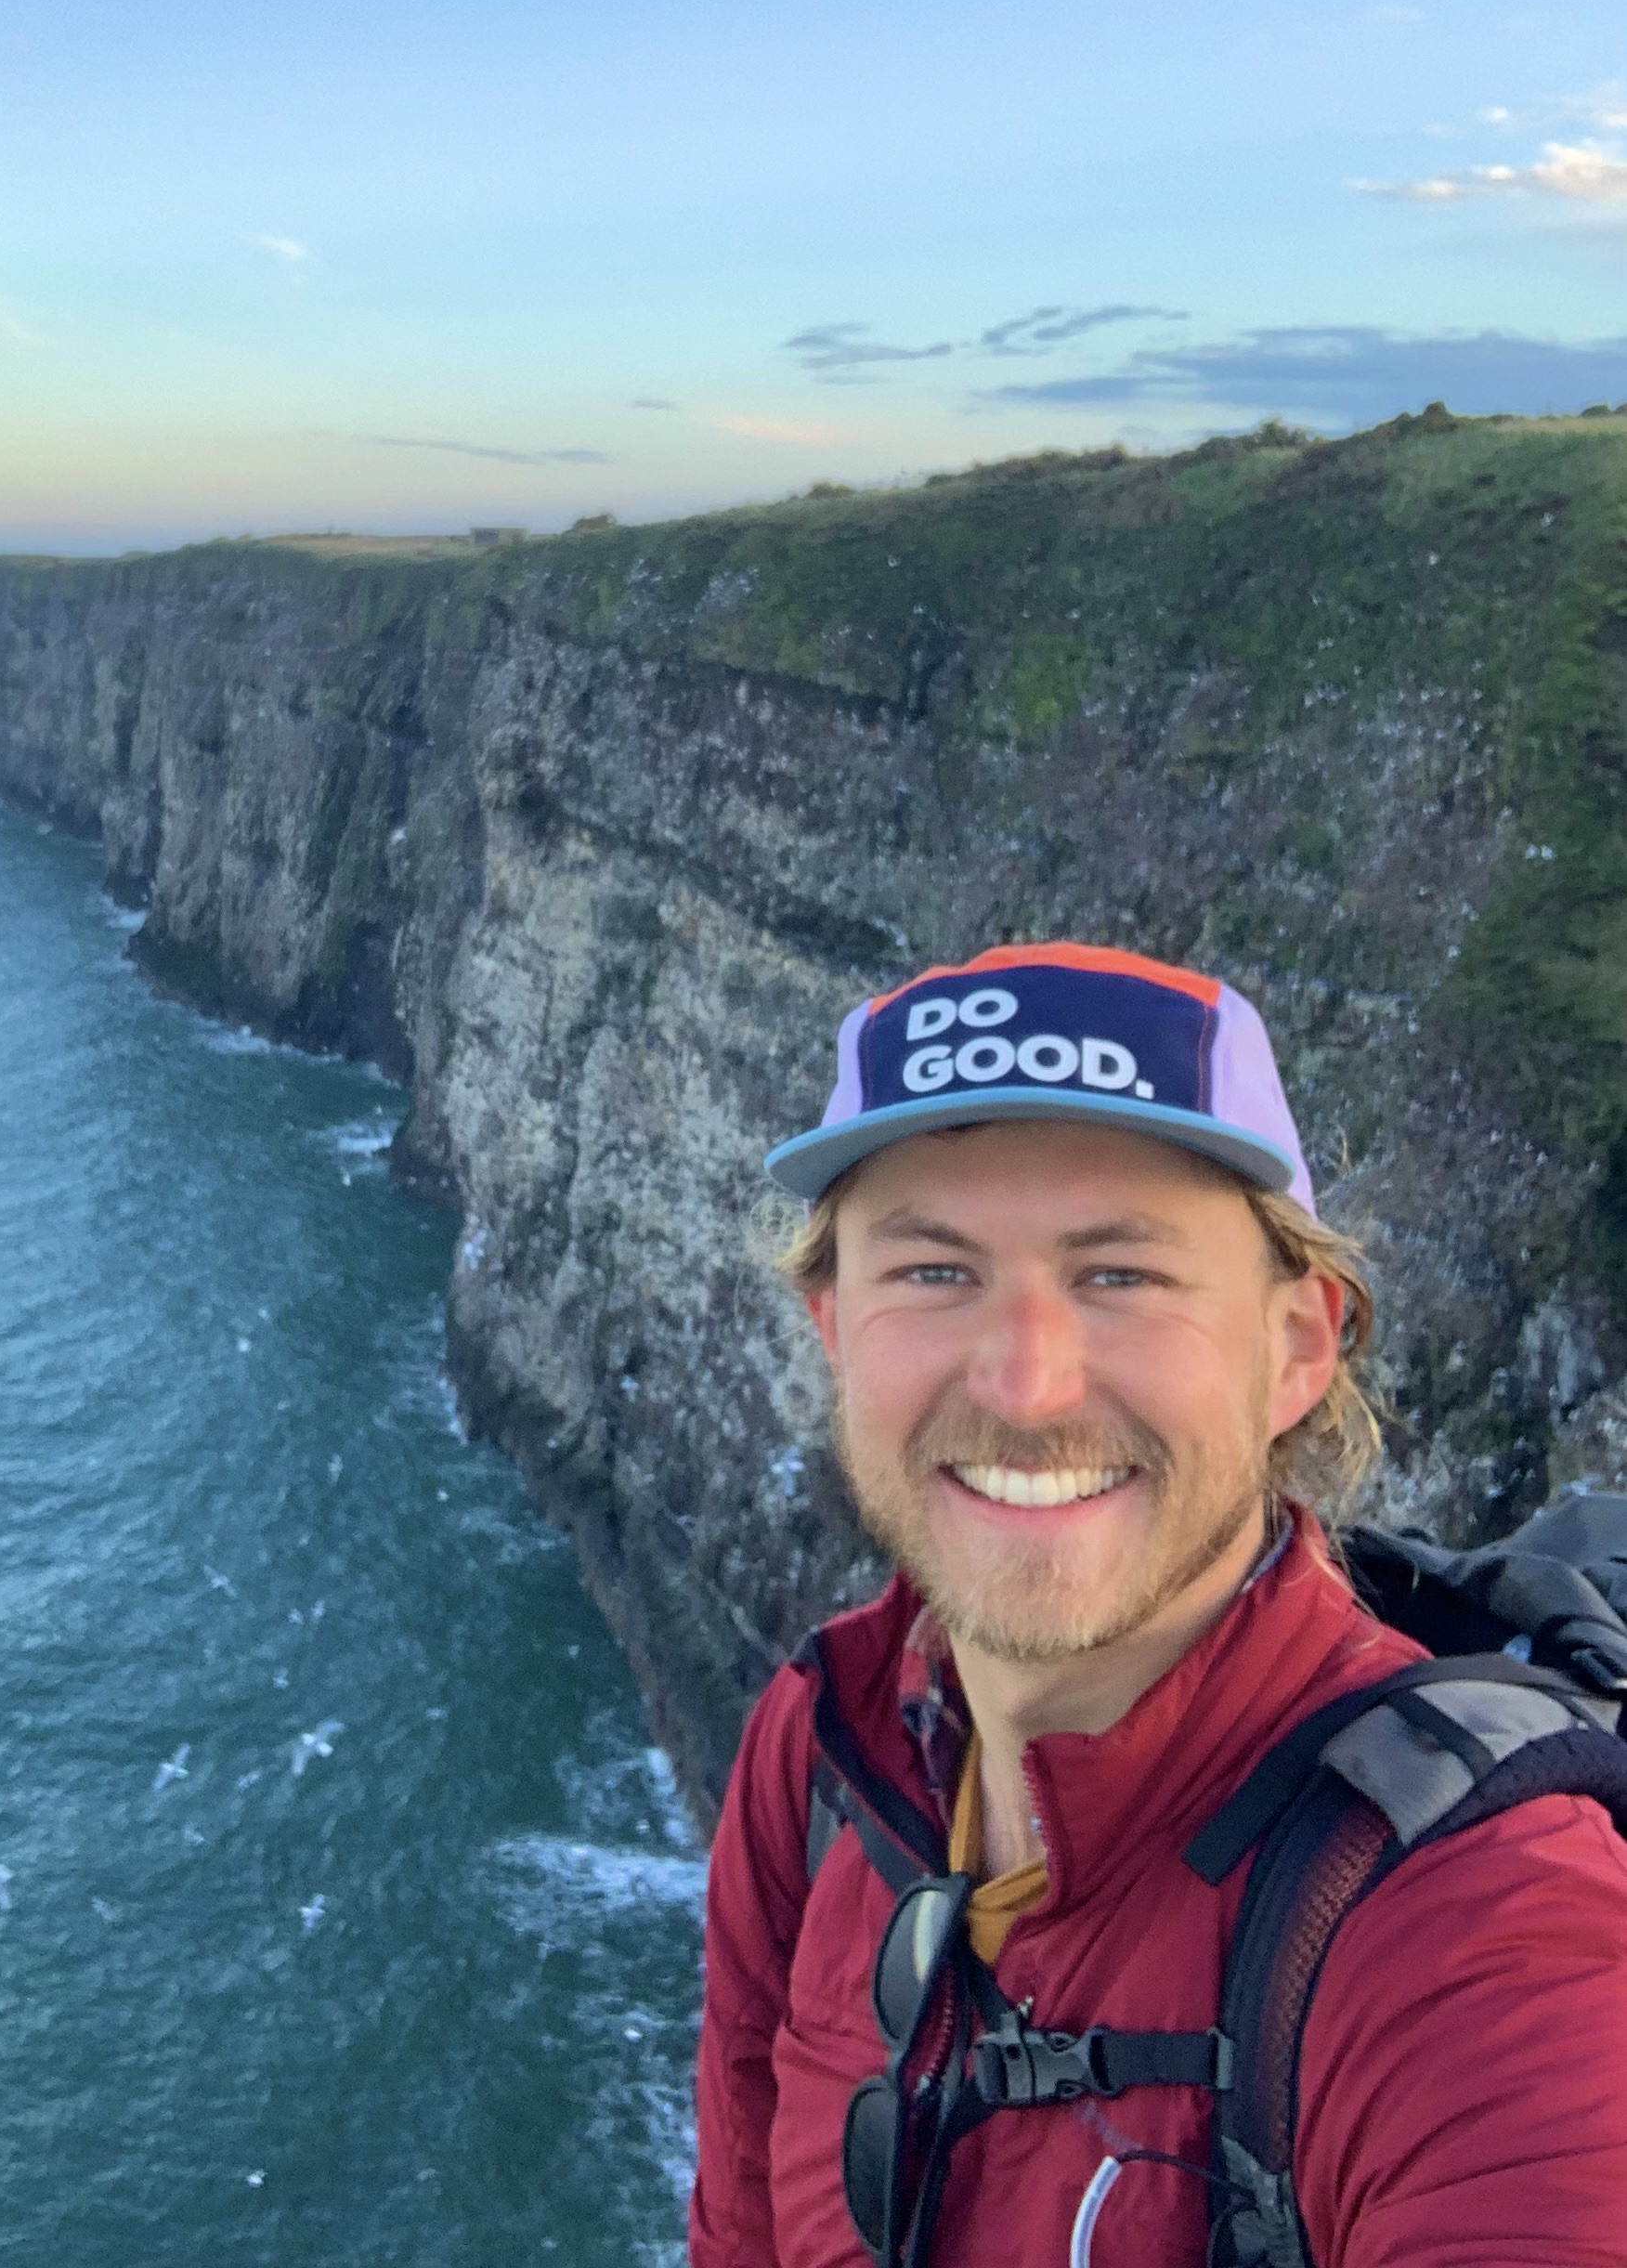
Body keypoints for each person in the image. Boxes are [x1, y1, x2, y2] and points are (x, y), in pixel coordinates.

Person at [691, 941, 1627, 2268]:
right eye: (934, 1272)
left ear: (1297, 1344)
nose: (1025, 1384)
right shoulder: (825, 1752)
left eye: (1120, 1274)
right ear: (834, 1326)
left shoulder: (1478, 1930)